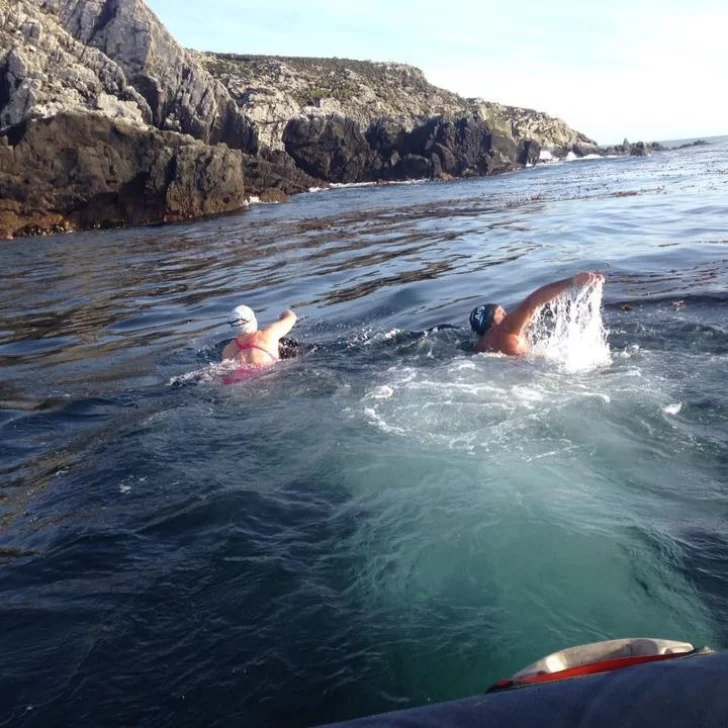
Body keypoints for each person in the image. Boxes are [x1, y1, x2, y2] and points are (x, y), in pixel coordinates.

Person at [469, 271, 604, 356]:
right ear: (493, 324)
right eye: (502, 313)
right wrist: (571, 282)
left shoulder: (479, 347)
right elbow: (531, 303)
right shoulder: (505, 329)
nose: (508, 315)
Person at [222, 305, 298, 379]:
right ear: (253, 320)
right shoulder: (269, 334)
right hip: (265, 375)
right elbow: (292, 317)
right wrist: (286, 312)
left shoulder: (227, 350)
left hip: (236, 380)